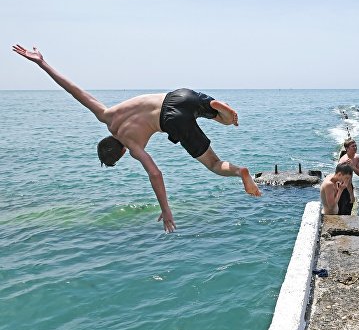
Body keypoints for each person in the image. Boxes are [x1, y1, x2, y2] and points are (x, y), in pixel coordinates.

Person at [12, 45, 261, 233]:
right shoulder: (105, 115)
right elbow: (74, 90)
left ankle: (241, 172)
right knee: (224, 118)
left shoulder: (131, 144)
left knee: (214, 165)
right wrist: (42, 63)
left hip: (172, 120)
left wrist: (166, 209)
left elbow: (155, 174)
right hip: (178, 96)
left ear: (119, 153)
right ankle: (218, 108)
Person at [337, 139, 359, 215]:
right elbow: (346, 181)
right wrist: (351, 195)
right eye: (353, 146)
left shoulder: (357, 157)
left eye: (355, 146)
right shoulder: (344, 161)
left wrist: (352, 167)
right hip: (341, 187)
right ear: (347, 149)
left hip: (349, 185)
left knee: (348, 208)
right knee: (344, 211)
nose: (355, 147)